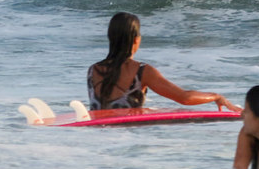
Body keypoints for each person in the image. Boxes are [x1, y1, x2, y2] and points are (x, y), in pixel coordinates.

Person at [88, 12, 241, 112]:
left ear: (110, 38)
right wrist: (216, 97)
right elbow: (184, 98)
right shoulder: (141, 71)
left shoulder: (93, 70)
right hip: (128, 136)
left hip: (100, 137)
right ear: (136, 39)